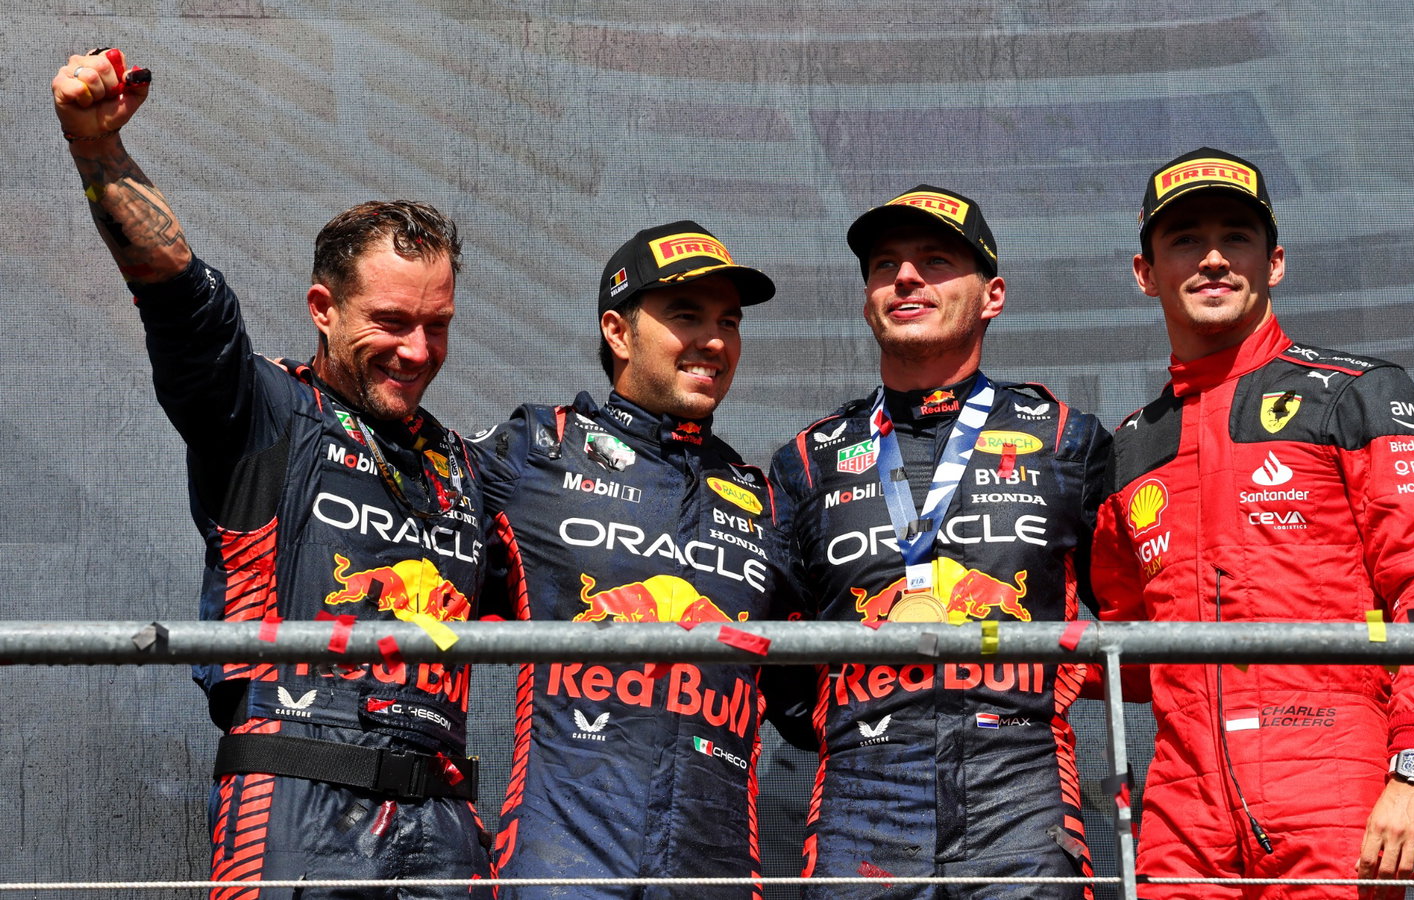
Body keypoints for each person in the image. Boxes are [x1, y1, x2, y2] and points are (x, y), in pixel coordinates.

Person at [53, 49, 491, 898]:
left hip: (444, 826)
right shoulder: (260, 413)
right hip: (292, 803)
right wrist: (93, 149)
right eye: (392, 321)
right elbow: (182, 300)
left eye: (436, 325)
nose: (417, 349)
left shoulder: (469, 468)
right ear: (323, 309)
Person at [1090, 147, 1414, 900]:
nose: (1212, 260)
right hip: (1182, 811)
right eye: (1183, 241)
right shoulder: (1130, 446)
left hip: (1333, 786)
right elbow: (1124, 648)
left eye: (1236, 237)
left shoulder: (1360, 394)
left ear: (1275, 263)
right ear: (1145, 273)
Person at [767, 186, 1112, 898]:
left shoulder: (1068, 439)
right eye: (885, 265)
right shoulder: (808, 458)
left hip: (1021, 792)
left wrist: (1022, 703)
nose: (905, 278)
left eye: (935, 261)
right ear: (868, 298)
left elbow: (1123, 608)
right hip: (864, 799)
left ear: (993, 295)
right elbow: (782, 658)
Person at [472, 221, 791, 897]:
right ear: (617, 331)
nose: (713, 341)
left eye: (728, 322)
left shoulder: (762, 499)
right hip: (561, 862)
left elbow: (804, 702)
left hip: (719, 866)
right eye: (685, 316)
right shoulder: (538, 449)